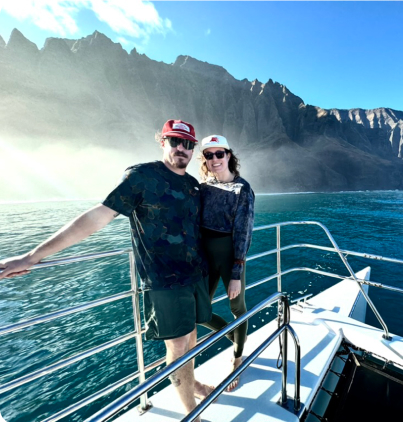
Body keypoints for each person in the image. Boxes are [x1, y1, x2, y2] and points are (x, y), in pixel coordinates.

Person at [0, 119, 213, 419]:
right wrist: (33, 256)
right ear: (162, 141)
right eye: (175, 141)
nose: (182, 148)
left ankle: (194, 384)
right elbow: (99, 216)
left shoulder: (192, 185)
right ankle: (193, 414)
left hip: (196, 276)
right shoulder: (143, 176)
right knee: (178, 347)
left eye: (188, 144)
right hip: (165, 281)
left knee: (190, 340)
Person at [198, 135, 255, 392]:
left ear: (229, 155)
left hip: (229, 255)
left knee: (237, 308)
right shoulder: (203, 187)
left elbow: (243, 233)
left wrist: (236, 272)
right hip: (204, 258)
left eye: (219, 153)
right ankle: (235, 335)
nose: (214, 159)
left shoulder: (243, 189)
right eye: (208, 155)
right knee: (199, 311)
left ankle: (238, 357)